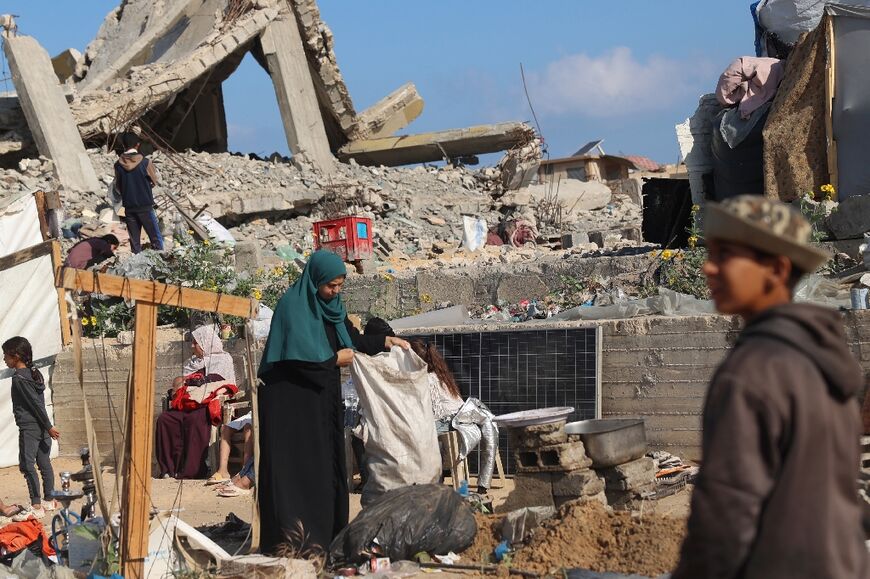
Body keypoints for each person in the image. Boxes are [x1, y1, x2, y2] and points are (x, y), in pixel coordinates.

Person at [672, 196, 869, 579]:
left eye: (727, 255)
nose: (709, 268)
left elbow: (726, 512)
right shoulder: (821, 352)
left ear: (776, 270)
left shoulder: (752, 372)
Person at [257, 250, 409, 555]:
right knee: (296, 472)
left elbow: (350, 340)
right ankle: (292, 543)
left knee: (325, 468)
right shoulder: (292, 307)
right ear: (315, 281)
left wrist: (384, 342)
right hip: (290, 404)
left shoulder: (333, 308)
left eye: (340, 286)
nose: (335, 292)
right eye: (330, 286)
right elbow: (296, 362)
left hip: (320, 401)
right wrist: (333, 361)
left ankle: (324, 539)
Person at [155, 324, 236, 479]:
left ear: (205, 343)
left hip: (207, 405)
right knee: (165, 420)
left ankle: (193, 470)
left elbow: (228, 385)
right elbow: (179, 384)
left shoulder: (223, 359)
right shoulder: (192, 363)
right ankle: (170, 469)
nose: (192, 346)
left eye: (195, 343)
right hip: (189, 403)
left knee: (194, 420)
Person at [2, 337, 59, 521]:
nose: (4, 359)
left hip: (30, 428)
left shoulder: (19, 379)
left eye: (6, 355)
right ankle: (49, 500)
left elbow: (34, 404)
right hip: (41, 426)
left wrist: (49, 427)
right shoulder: (34, 373)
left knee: (27, 465)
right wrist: (47, 426)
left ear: (16, 356)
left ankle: (36, 505)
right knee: (44, 463)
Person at [114, 132, 163, 254]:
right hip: (145, 206)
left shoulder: (118, 165)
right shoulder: (145, 162)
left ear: (124, 145)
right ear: (137, 145)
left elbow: (118, 187)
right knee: (156, 239)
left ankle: (136, 268)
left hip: (129, 208)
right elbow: (154, 181)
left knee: (135, 243)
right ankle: (161, 264)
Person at [409, 340, 463, 433]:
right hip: (457, 418)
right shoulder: (438, 374)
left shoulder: (428, 379)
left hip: (449, 421)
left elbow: (436, 413)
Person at [205, 411, 252, 486]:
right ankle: (223, 471)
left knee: (248, 428)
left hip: (259, 415)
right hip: (249, 414)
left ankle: (245, 471)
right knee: (225, 428)